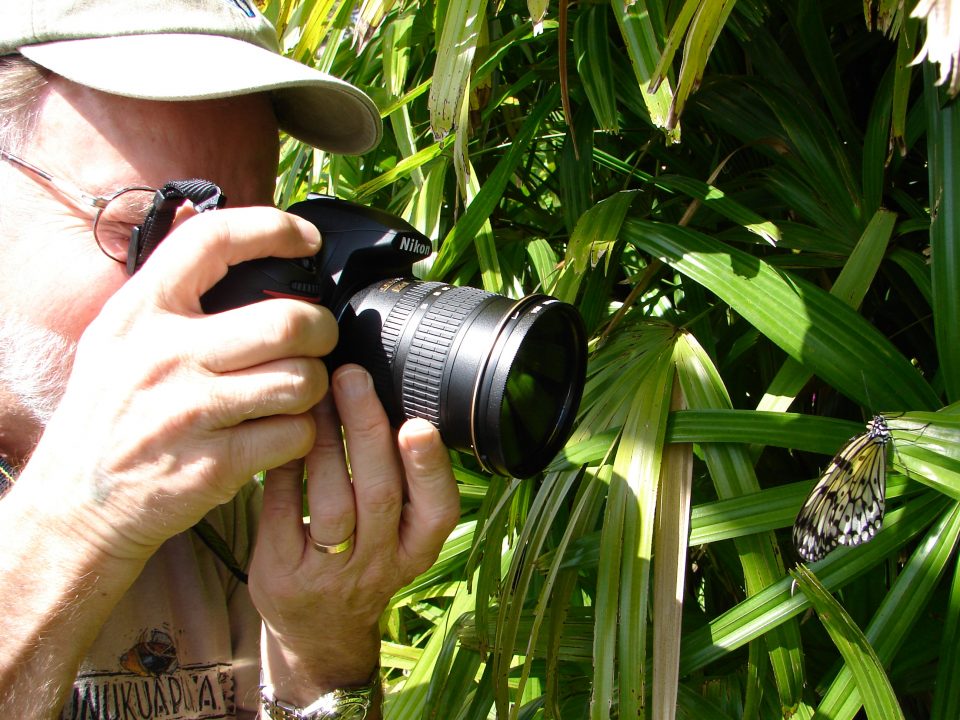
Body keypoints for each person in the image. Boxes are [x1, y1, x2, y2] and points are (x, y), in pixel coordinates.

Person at [0, 2, 461, 718]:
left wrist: (318, 658)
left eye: (243, 242)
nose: (215, 298)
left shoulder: (222, 502)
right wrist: (74, 526)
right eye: (138, 223)